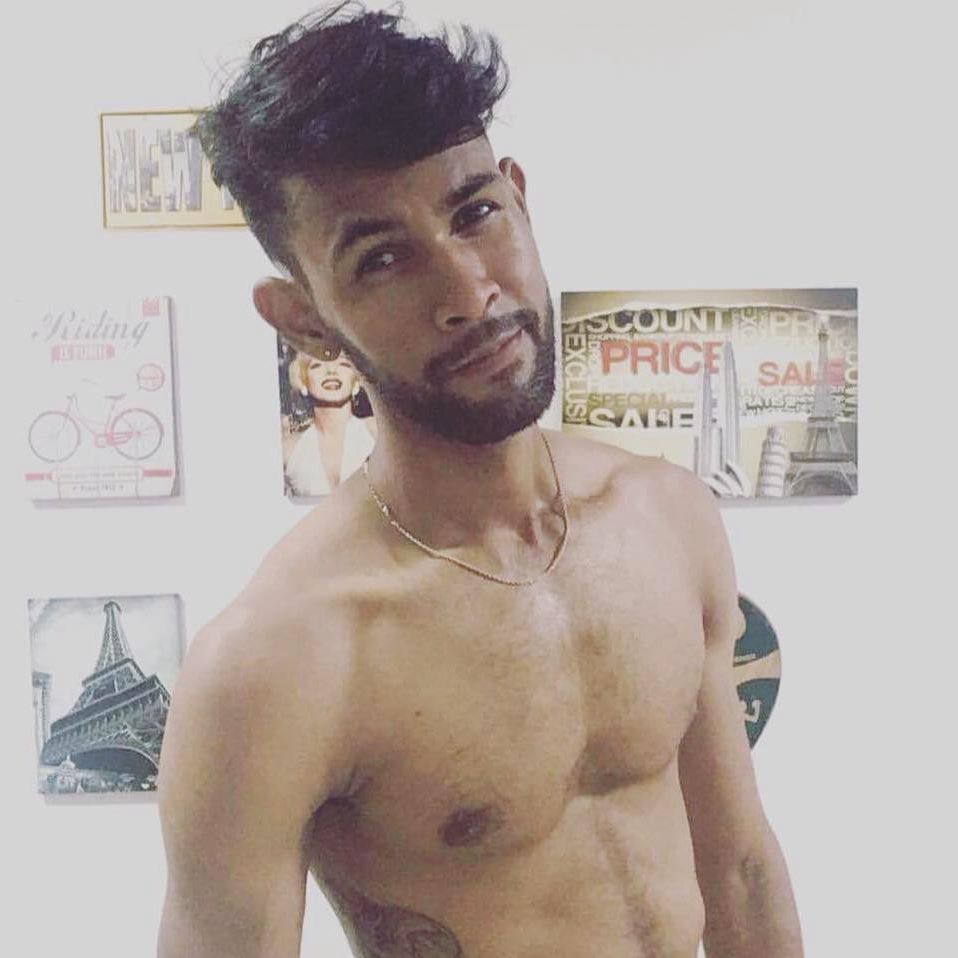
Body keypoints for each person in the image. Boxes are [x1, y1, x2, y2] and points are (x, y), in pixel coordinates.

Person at [157, 4, 804, 957]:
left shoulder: (668, 518)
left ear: (520, 199)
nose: (469, 292)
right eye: (382, 259)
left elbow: (740, 869)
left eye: (475, 214)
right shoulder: (279, 661)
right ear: (304, 319)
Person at [283, 345, 376, 496]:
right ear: (303, 382)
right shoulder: (288, 450)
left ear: (356, 383)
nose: (331, 371)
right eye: (317, 365)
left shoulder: (377, 433)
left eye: (343, 364)